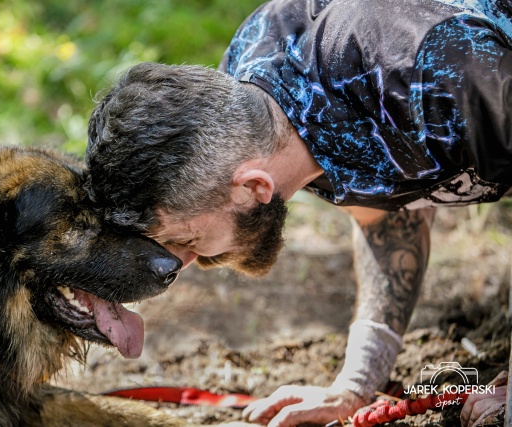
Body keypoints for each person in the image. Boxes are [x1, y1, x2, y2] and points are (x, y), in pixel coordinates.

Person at [85, 0, 512, 425]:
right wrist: (356, 385)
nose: (186, 262)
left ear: (255, 187)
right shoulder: (246, 103)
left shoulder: (438, 72)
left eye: (186, 240)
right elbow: (386, 208)